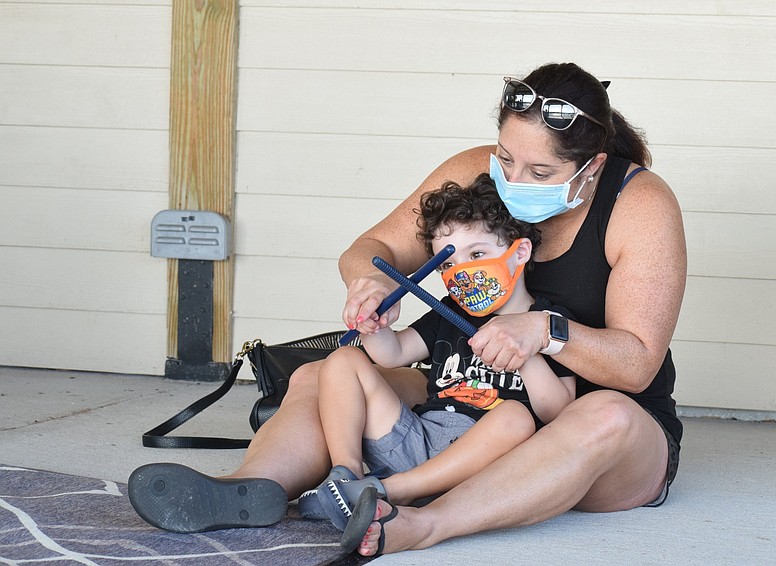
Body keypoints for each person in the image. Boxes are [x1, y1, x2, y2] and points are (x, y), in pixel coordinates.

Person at [129, 61, 686, 558]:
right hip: (474, 403)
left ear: (592, 166)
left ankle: (422, 523)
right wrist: (370, 286)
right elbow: (372, 250)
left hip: (586, 429)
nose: (513, 182)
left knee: (606, 415)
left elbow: (636, 365)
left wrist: (545, 330)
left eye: (540, 174)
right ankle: (254, 488)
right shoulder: (476, 170)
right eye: (507, 159)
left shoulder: (637, 204)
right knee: (324, 374)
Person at [304, 175, 576, 531]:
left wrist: (525, 354)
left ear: (519, 253)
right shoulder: (452, 312)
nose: (462, 273)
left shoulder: (546, 322)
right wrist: (375, 324)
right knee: (343, 360)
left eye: (477, 254)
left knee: (516, 417)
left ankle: (389, 491)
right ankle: (347, 479)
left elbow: (561, 411)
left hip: (483, 463)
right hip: (416, 439)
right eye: (447, 265)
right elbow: (394, 354)